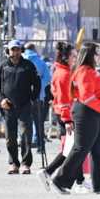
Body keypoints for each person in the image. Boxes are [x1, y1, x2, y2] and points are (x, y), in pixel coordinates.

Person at [48, 42, 100, 194]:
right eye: (97, 53)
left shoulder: (90, 71)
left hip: (95, 112)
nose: (99, 56)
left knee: (97, 150)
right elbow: (86, 96)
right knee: (81, 148)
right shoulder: (84, 71)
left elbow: (95, 89)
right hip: (87, 112)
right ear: (90, 55)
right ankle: (59, 180)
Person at [39, 42, 86, 190]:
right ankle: (49, 172)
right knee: (73, 150)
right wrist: (67, 120)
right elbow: (63, 99)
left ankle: (79, 181)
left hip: (66, 114)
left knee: (73, 149)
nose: (76, 58)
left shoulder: (63, 71)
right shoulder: (63, 74)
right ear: (66, 57)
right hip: (66, 116)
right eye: (73, 56)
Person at [0, 40, 41, 174]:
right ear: (8, 51)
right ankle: (13, 163)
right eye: (13, 49)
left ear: (21, 51)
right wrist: (1, 100)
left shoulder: (28, 66)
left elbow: (37, 83)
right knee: (10, 137)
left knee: (25, 135)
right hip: (8, 107)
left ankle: (25, 164)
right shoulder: (3, 67)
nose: (15, 52)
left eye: (18, 49)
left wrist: (33, 99)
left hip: (25, 106)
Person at [23, 42, 51, 149]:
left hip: (24, 97)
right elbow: (47, 78)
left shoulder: (21, 60)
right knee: (38, 121)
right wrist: (38, 86)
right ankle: (40, 144)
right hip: (38, 97)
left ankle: (25, 142)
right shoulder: (40, 62)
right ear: (34, 49)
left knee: (24, 121)